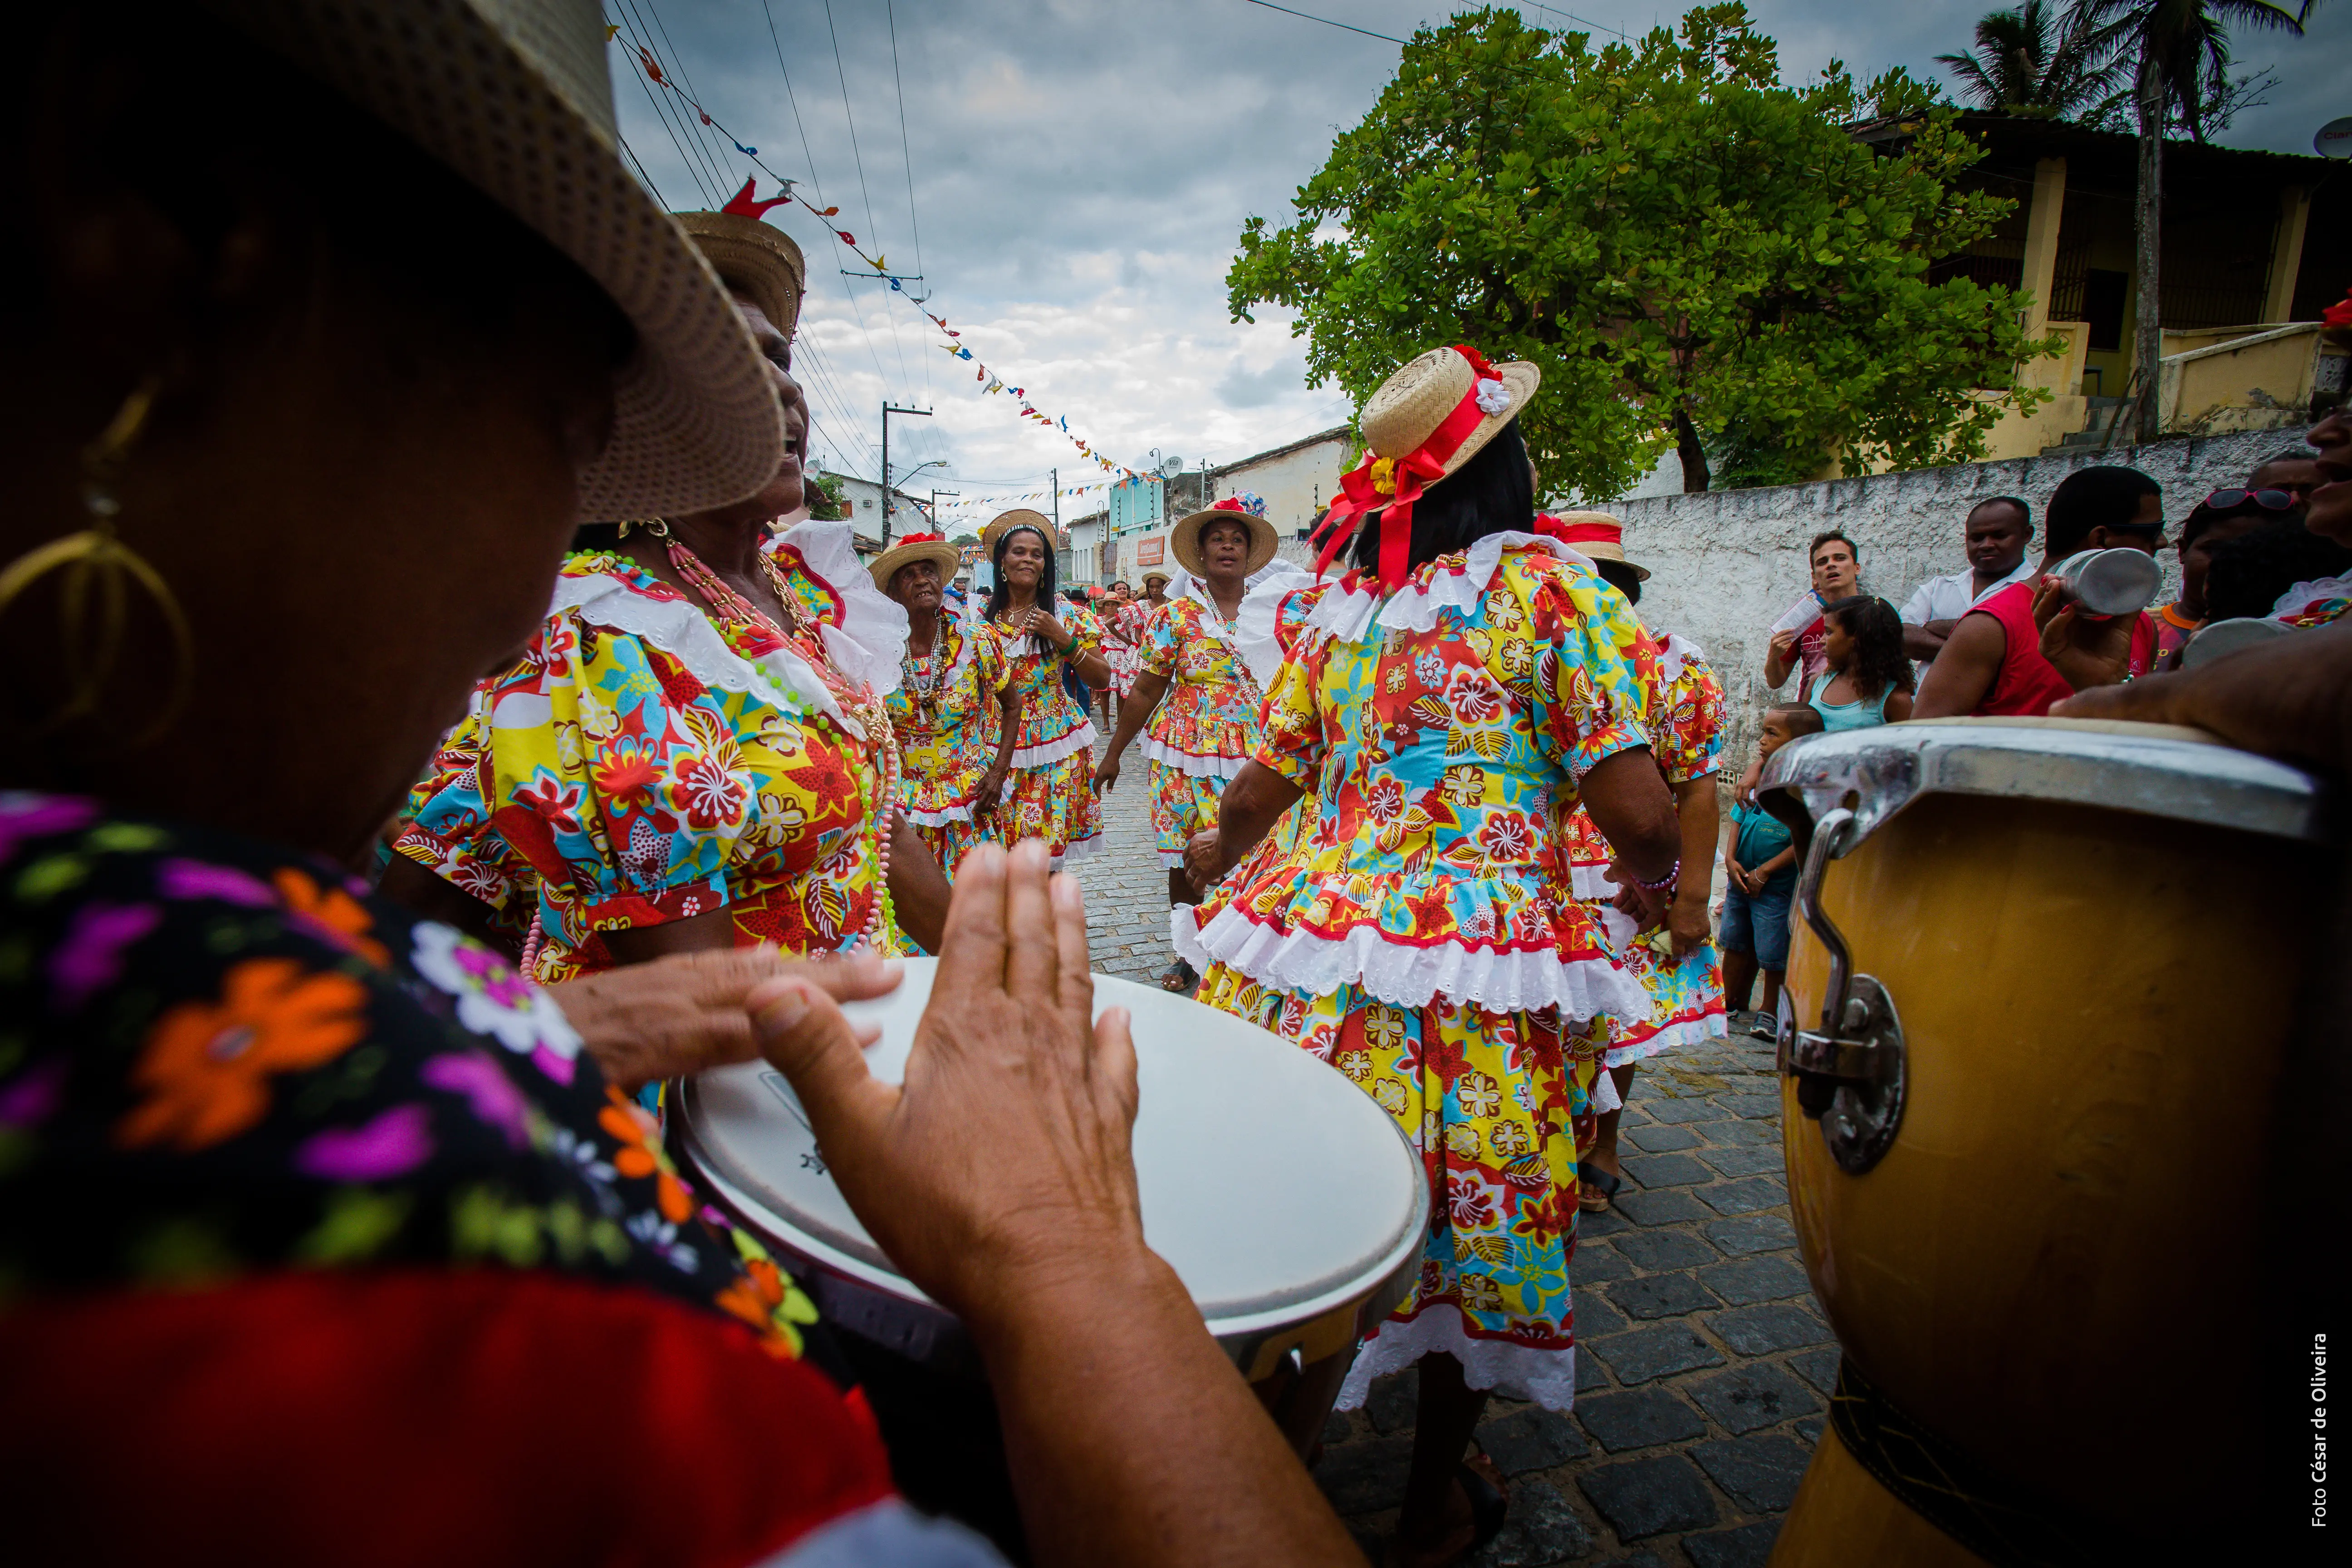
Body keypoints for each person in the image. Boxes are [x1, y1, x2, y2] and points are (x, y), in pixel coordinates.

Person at [0, 7, 1365, 1565]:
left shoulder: (795, 630)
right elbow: (441, 907)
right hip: (740, 1144)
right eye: (561, 420)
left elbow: (856, 836)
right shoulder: (399, 1237)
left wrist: (944, 973)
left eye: (779, 363)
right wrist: (1063, 1262)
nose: (526, 591)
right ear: (173, 235)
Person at [1176, 346, 1684, 1566]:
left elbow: (1257, 795)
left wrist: (1205, 865)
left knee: (1298, 1199)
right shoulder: (1554, 597)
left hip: (1306, 954)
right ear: (1506, 468)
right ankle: (1424, 1509)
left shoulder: (1338, 611)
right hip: (1482, 964)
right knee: (1476, 1219)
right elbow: (1642, 815)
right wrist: (1659, 887)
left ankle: (1254, 1476)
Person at [385, 201, 952, 976]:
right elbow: (697, 996)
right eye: (736, 362)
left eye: (780, 360)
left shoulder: (803, 596)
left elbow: (873, 824)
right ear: (643, 412)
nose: (783, 391)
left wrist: (998, 968)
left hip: (844, 1031)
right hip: (731, 1077)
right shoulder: (602, 630)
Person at [1545, 515, 1727, 1216]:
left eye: (1607, 581)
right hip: (1544, 873)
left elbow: (1699, 785)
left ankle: (1605, 1143)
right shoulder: (1536, 651)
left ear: (1626, 592)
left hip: (1632, 883)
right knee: (1549, 1017)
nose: (1593, 593)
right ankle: (1548, 1137)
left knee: (1618, 1019)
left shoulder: (1675, 670)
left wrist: (1688, 899)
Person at [1093, 495, 1303, 994]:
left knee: (1257, 847)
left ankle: (1250, 943)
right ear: (1202, 555)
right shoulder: (1175, 617)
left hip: (1258, 751)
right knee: (1183, 854)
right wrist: (1114, 752)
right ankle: (1188, 949)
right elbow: (1146, 689)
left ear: (1250, 555)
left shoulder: (1276, 612)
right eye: (1217, 539)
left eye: (1237, 540)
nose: (1227, 547)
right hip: (1183, 752)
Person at [1912, 465, 2167, 719]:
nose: (2162, 542)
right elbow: (1924, 739)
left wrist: (2109, 687)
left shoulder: (2141, 625)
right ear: (2101, 539)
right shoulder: (1991, 627)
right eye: (2152, 532)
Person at [874, 530, 1021, 881]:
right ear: (892, 592)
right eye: (909, 575)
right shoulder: (875, 652)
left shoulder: (977, 641)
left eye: (929, 571)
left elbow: (1013, 706)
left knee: (980, 907)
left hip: (973, 796)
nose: (922, 580)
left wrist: (998, 773)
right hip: (904, 805)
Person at [981, 510, 1113, 864]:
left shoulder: (1066, 615)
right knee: (993, 855)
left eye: (1036, 554)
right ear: (1002, 562)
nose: (1028, 559)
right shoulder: (977, 617)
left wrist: (1063, 639)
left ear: (1046, 564)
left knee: (1040, 860)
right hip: (989, 742)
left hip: (1052, 744)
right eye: (1018, 552)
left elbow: (1102, 678)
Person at [1720, 704, 1822, 1034]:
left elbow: (1802, 838)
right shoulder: (1759, 780)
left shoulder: (1802, 790)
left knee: (1773, 950)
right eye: (1763, 731)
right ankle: (1731, 1000)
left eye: (1772, 734)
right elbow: (1738, 818)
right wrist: (1730, 859)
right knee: (1734, 942)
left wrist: (1765, 871)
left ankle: (1770, 1010)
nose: (1761, 740)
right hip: (1740, 878)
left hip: (1774, 886)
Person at [2152, 489, 2296, 663]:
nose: (2228, 562)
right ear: (2182, 551)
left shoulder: (2298, 634)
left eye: (2253, 552)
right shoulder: (2137, 627)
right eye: (2214, 549)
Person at [1898, 496, 2036, 666]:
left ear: (2027, 534)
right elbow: (1902, 637)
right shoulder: (1938, 588)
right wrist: (1987, 654)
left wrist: (1933, 628)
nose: (1986, 545)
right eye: (1977, 538)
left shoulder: (2040, 590)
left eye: (1999, 536)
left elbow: (2025, 653)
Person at [1763, 530, 1862, 692]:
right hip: (1811, 712)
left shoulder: (1875, 612)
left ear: (1857, 568)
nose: (1831, 565)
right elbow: (1775, 682)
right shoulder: (1803, 619)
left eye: (1840, 558)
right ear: (1815, 577)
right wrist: (1773, 656)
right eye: (1823, 562)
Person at [1803, 595, 1916, 729]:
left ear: (1858, 638)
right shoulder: (1818, 683)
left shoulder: (1894, 699)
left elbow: (1906, 747)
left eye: (1829, 632)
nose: (1822, 640)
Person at [1097, 578, 1140, 724]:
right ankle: (1106, 722)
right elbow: (1097, 641)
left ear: (1117, 606)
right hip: (1106, 657)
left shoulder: (1125, 621)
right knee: (1105, 692)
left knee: (1121, 692)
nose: (1110, 607)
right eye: (1107, 605)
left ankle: (1121, 721)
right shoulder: (1098, 621)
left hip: (1122, 658)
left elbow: (1131, 636)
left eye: (1113, 605)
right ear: (1104, 607)